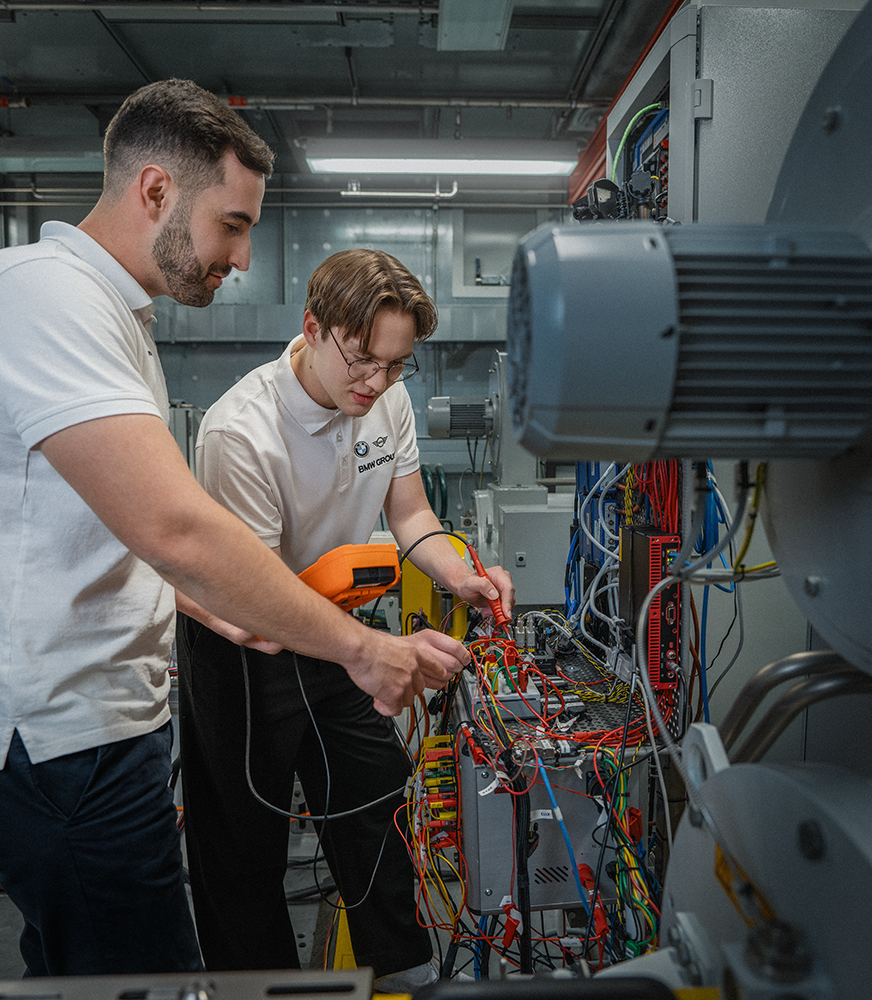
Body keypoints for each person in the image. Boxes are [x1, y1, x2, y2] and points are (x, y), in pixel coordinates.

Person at [0, 81, 468, 978]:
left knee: (87, 968)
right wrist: (363, 652)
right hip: (49, 738)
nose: (244, 256)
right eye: (235, 225)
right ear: (158, 191)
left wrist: (210, 605)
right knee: (141, 967)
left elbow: (117, 532)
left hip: (98, 724)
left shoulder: (116, 317)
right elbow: (177, 527)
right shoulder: (40, 298)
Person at [177, 249, 515, 991]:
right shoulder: (243, 432)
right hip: (242, 644)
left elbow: (411, 514)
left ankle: (402, 970)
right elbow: (258, 605)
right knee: (243, 839)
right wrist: (377, 651)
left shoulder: (383, 398)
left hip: (335, 630)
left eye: (397, 366)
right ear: (313, 328)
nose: (378, 383)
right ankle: (257, 986)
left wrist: (465, 576)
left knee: (375, 795)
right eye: (363, 361)